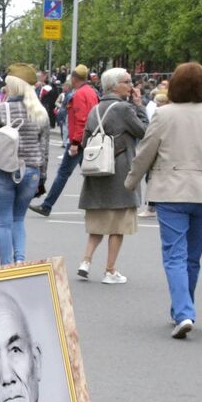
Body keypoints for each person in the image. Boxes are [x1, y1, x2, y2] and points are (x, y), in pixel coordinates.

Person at [125, 62, 202, 339]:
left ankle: (184, 312)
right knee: (192, 258)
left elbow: (145, 153)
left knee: (174, 255)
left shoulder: (163, 114)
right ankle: (182, 309)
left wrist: (131, 181)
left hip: (171, 192)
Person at [75, 68, 147, 284]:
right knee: (118, 224)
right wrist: (139, 105)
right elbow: (144, 131)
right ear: (115, 85)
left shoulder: (95, 109)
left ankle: (85, 261)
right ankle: (110, 270)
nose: (131, 85)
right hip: (120, 170)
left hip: (97, 171)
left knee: (98, 220)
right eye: (127, 81)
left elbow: (84, 141)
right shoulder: (124, 109)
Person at [0, 64, 49, 265]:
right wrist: (42, 176)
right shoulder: (40, 113)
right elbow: (44, 149)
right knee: (19, 219)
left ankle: (6, 265)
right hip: (31, 171)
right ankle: (20, 259)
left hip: (5, 169)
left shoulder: (3, 109)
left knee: (4, 222)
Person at [32, 64, 99, 217]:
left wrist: (75, 143)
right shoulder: (92, 92)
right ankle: (96, 207)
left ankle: (47, 206)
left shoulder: (79, 94)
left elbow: (81, 120)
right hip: (89, 139)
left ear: (74, 78)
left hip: (79, 140)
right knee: (91, 175)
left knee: (63, 174)